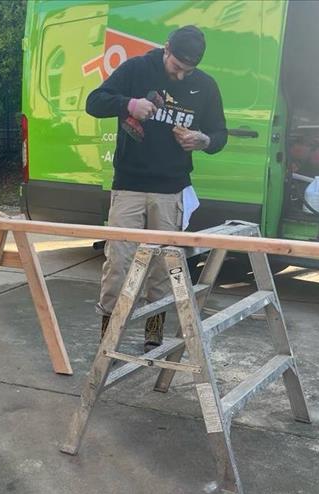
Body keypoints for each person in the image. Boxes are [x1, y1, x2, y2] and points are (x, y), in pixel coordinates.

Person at [86, 25, 227, 351]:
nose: (179, 76)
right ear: (166, 49)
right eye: (176, 67)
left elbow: (220, 134)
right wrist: (128, 105)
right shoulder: (137, 69)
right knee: (119, 264)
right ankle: (109, 338)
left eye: (187, 70)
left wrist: (202, 140)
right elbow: (94, 102)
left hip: (171, 189)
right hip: (130, 185)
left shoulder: (204, 86)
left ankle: (154, 333)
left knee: (164, 266)